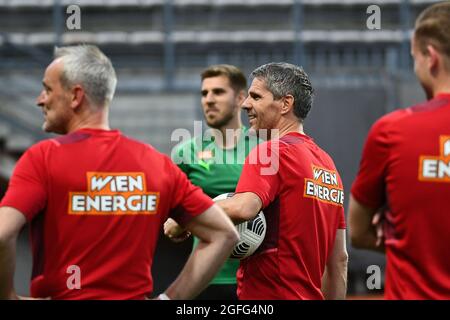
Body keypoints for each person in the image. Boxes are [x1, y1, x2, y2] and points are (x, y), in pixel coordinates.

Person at [0, 45, 238, 300]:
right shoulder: (155, 163)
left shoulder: (43, 157)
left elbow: (2, 234)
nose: (40, 99)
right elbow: (223, 234)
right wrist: (169, 299)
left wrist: (8, 296)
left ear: (75, 96)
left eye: (48, 89)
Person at [166, 62, 348, 300]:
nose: (245, 105)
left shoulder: (270, 151)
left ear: (285, 103)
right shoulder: (328, 165)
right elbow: (339, 261)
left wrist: (184, 217)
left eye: (256, 97)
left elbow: (244, 207)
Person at [349, 2, 450, 300]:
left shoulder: (391, 131)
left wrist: (403, 236)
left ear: (430, 58)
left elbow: (358, 231)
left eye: (414, 58)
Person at [170, 64, 260, 300]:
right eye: (204, 93)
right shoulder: (185, 152)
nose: (208, 100)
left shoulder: (265, 149)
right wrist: (174, 222)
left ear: (241, 98)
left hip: (258, 278)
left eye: (218, 92)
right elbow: (170, 217)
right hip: (205, 278)